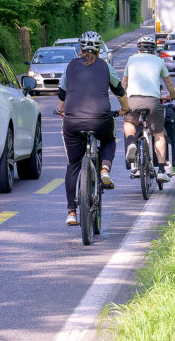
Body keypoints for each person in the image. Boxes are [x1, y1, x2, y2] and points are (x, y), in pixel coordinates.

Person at [57, 31, 129, 227]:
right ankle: (104, 169)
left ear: (80, 49)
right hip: (100, 118)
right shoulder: (105, 66)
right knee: (108, 139)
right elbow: (119, 91)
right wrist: (125, 109)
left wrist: (60, 110)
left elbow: (62, 93)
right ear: (99, 50)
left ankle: (71, 212)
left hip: (72, 121)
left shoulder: (70, 66)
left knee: (73, 165)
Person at [122, 36, 175, 182]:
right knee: (159, 133)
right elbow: (169, 83)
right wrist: (171, 95)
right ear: (154, 49)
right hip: (153, 101)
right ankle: (161, 170)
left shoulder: (131, 59)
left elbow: (124, 83)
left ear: (138, 49)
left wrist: (123, 100)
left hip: (133, 100)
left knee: (129, 124)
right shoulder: (159, 61)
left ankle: (132, 144)